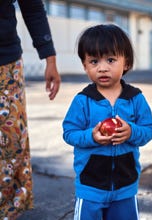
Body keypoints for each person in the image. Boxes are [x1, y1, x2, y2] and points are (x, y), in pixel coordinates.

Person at [62, 24, 152, 220]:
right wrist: (91, 136)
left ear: (126, 63)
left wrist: (131, 132)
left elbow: (148, 129)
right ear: (85, 66)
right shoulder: (83, 100)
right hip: (90, 187)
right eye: (94, 61)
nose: (102, 67)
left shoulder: (135, 98)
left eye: (111, 60)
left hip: (125, 187)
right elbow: (69, 132)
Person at [0, 0, 61, 219]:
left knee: (11, 141)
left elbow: (33, 8)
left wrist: (50, 58)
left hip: (5, 62)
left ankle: (7, 210)